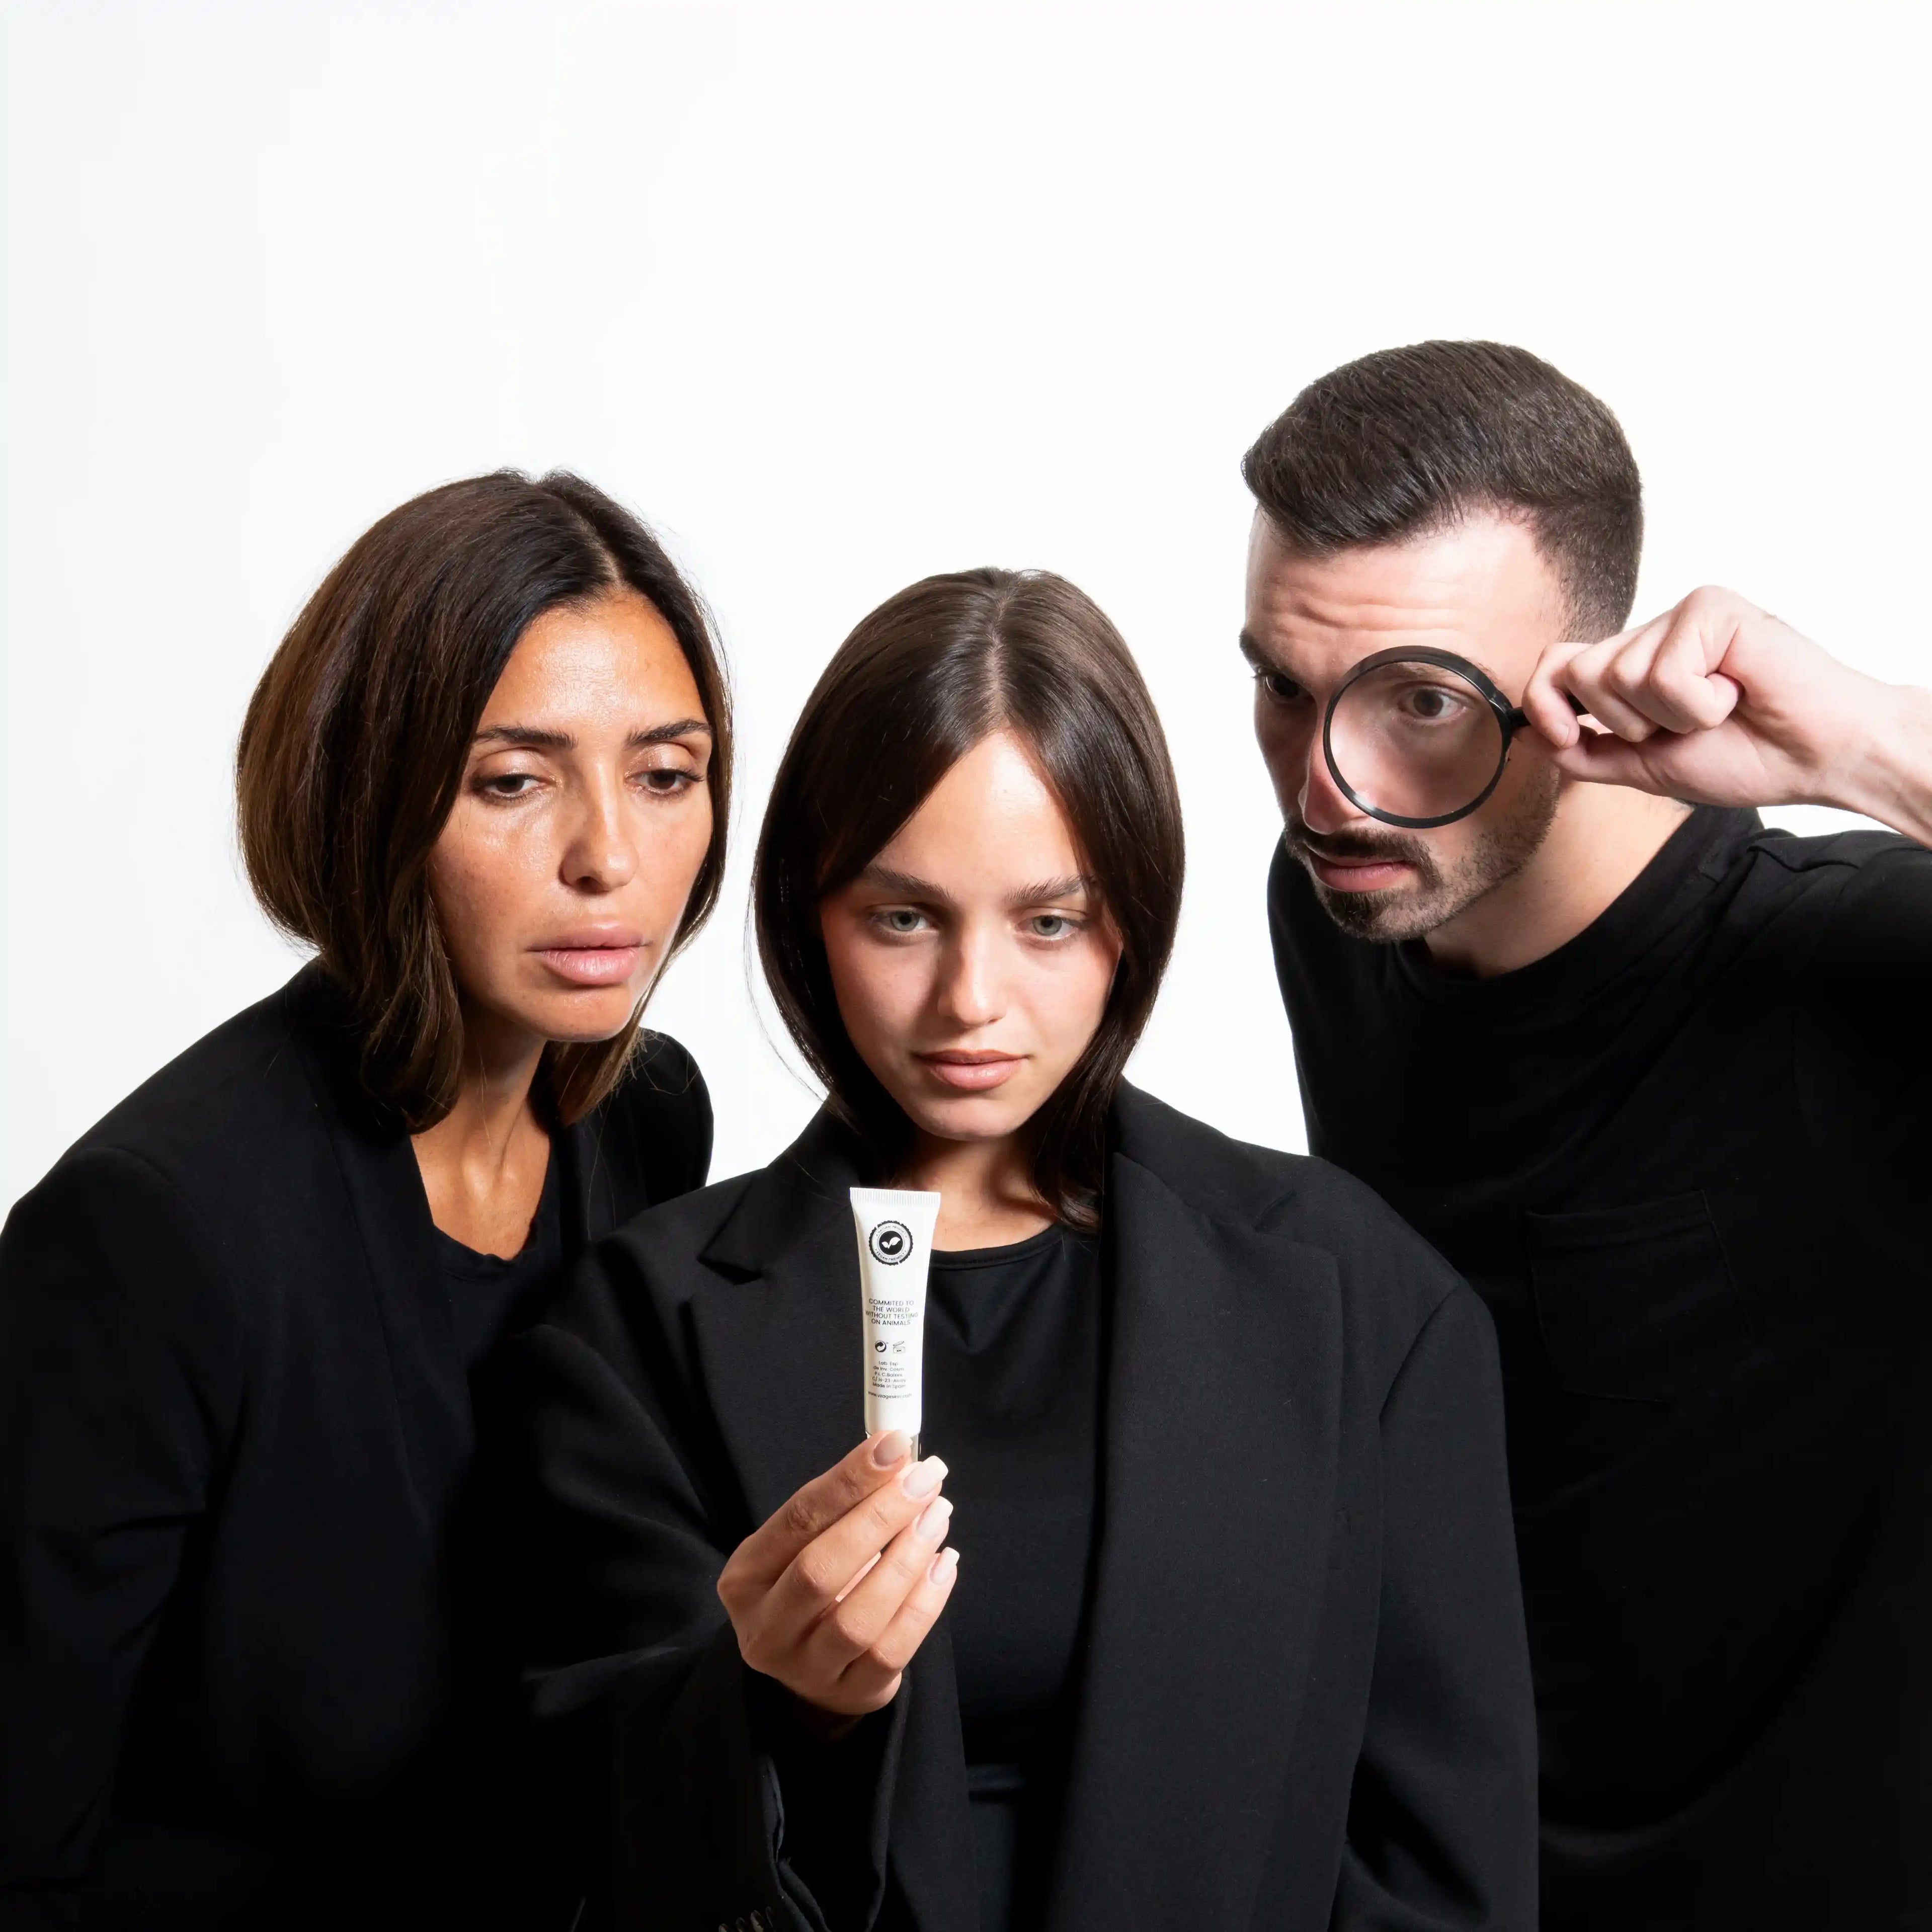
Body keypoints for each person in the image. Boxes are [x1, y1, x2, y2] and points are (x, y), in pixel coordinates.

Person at [504, 567, 1537, 1932]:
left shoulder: (1366, 1310)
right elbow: (567, 1842)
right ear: (811, 913)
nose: (971, 1002)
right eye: (902, 917)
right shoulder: (639, 1329)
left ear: (1134, 917)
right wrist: (769, 1699)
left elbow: (1445, 1874)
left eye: (1048, 922)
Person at [1239, 340, 1932, 1930]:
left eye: (1421, 703)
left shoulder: (1863, 978)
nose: (1330, 788)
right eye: (1285, 689)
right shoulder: (1343, 908)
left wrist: (1873, 746)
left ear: (1583, 674)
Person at [0, 471, 732, 1929]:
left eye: (665, 773)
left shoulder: (645, 1123)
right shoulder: (153, 1235)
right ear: (368, 792)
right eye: (512, 780)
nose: (609, 856)